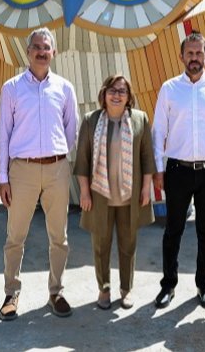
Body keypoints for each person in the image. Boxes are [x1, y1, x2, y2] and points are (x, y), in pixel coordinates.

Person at [0, 27, 78, 321]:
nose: (42, 52)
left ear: (53, 53)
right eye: (37, 47)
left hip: (57, 168)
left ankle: (56, 292)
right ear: (28, 52)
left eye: (47, 47)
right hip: (22, 171)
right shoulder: (12, 88)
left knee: (60, 237)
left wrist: (56, 156)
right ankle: (11, 292)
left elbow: (71, 131)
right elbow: (3, 134)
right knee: (15, 236)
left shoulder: (65, 88)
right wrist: (2, 179)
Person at [152, 31, 205, 310]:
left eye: (199, 53)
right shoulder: (169, 89)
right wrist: (157, 169)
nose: (194, 58)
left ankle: (204, 285)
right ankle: (168, 285)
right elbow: (158, 131)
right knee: (172, 230)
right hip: (177, 170)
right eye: (189, 53)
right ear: (181, 57)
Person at [73, 75, 156, 310]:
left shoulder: (140, 119)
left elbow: (147, 157)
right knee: (101, 245)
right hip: (100, 196)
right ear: (104, 93)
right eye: (112, 90)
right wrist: (85, 193)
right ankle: (104, 289)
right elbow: (82, 160)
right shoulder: (91, 121)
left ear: (129, 97)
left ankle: (126, 289)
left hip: (130, 196)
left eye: (122, 91)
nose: (117, 95)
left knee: (128, 245)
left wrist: (146, 188)